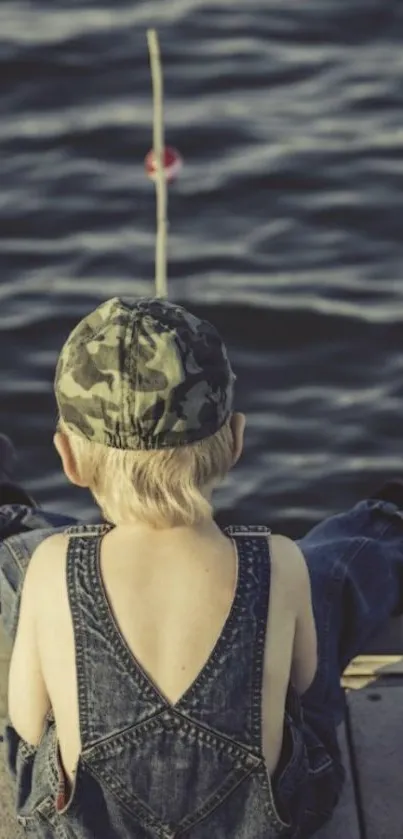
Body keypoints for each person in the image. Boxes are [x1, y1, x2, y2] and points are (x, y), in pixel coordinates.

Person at [0, 296, 402, 839]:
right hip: (261, 824)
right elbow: (306, 684)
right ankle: (386, 519)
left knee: (23, 562)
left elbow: (26, 722)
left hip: (91, 829)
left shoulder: (52, 565)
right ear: (235, 440)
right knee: (322, 580)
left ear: (68, 457)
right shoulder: (280, 561)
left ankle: (13, 513)